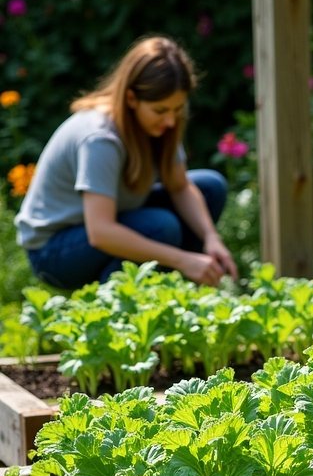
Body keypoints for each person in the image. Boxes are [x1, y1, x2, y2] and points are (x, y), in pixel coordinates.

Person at [14, 35, 238, 289]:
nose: (170, 121)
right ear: (131, 99)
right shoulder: (100, 138)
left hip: (111, 218)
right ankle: (115, 312)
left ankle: (182, 290)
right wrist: (183, 260)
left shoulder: (162, 125)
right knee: (161, 227)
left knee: (210, 187)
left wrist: (211, 238)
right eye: (161, 111)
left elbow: (180, 186)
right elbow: (101, 232)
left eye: (177, 109)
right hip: (55, 249)